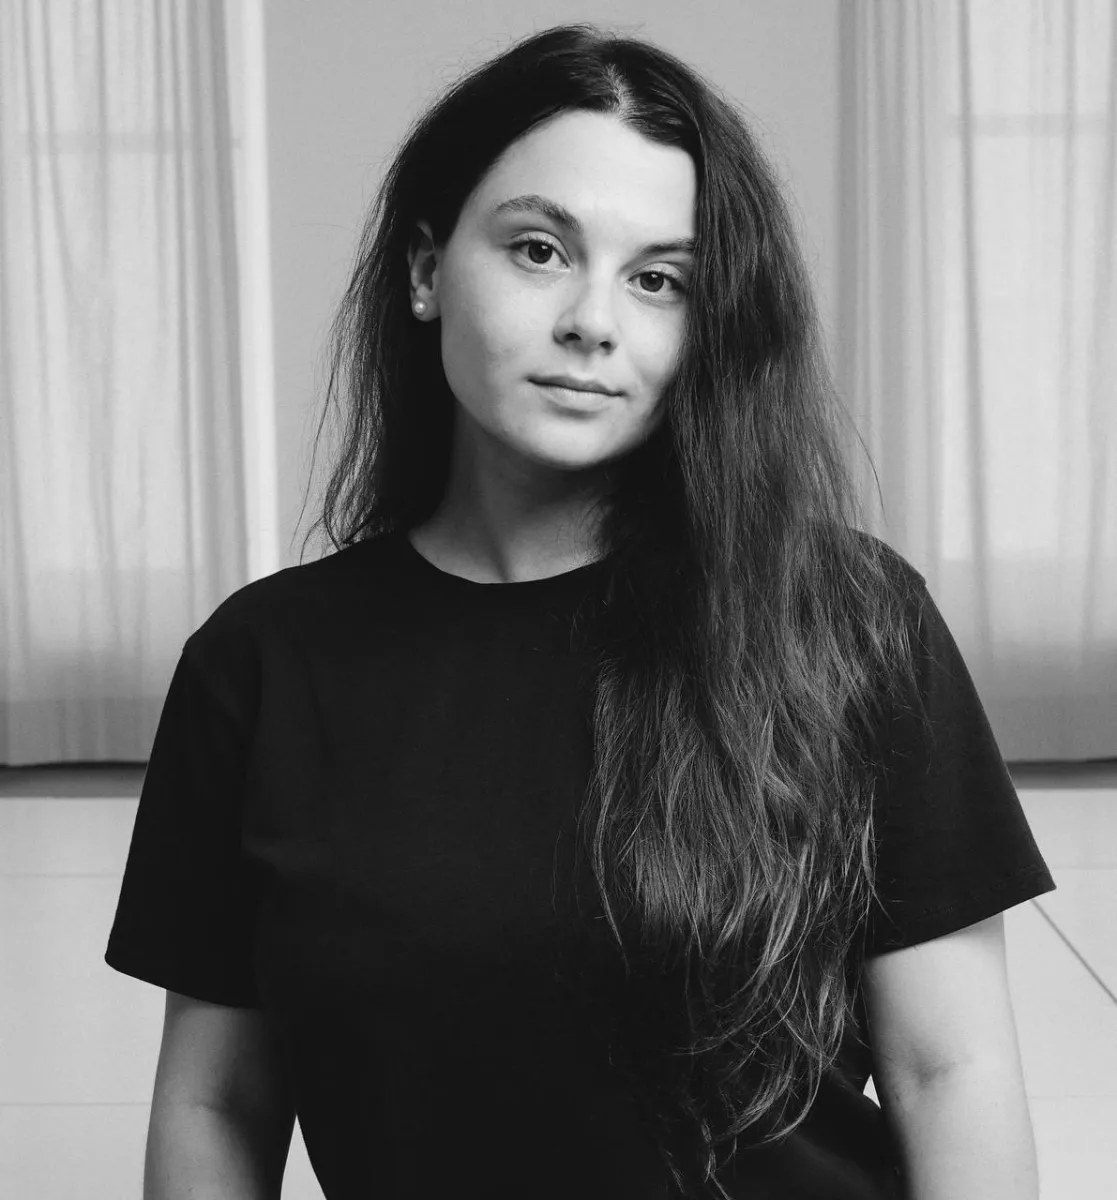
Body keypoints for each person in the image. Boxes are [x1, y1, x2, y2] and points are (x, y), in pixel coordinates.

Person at [106, 23, 1056, 1200]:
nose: (594, 322)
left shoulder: (849, 621)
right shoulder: (260, 661)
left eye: (659, 279)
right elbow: (216, 1101)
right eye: (541, 250)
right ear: (422, 268)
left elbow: (949, 1069)